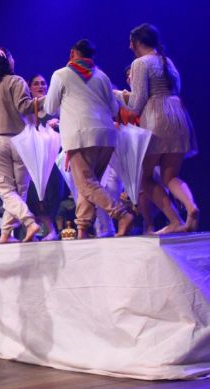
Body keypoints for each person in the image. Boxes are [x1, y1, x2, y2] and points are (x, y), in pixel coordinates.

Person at [43, 39, 135, 239]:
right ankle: (83, 228)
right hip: (106, 136)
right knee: (89, 183)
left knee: (85, 183)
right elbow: (114, 108)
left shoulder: (61, 74)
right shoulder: (102, 76)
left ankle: (121, 214)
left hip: (80, 135)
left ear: (72, 53)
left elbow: (49, 107)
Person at [122, 23, 199, 234]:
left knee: (144, 178)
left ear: (137, 42)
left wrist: (121, 96)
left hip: (156, 118)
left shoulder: (140, 63)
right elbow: (177, 88)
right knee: (170, 176)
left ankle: (174, 220)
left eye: (130, 42)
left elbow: (136, 103)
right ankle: (191, 207)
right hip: (178, 116)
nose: (129, 46)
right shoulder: (167, 61)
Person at [0, 46, 42, 243]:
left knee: (7, 191)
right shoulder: (16, 81)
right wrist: (45, 100)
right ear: (7, 62)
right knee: (19, 190)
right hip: (19, 140)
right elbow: (25, 107)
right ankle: (28, 222)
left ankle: (5, 233)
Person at [25, 74, 64, 241]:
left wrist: (58, 124)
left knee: (54, 192)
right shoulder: (26, 110)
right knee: (34, 195)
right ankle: (42, 229)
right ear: (29, 87)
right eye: (36, 83)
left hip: (51, 159)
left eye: (43, 83)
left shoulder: (54, 108)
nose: (40, 86)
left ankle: (51, 229)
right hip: (34, 159)